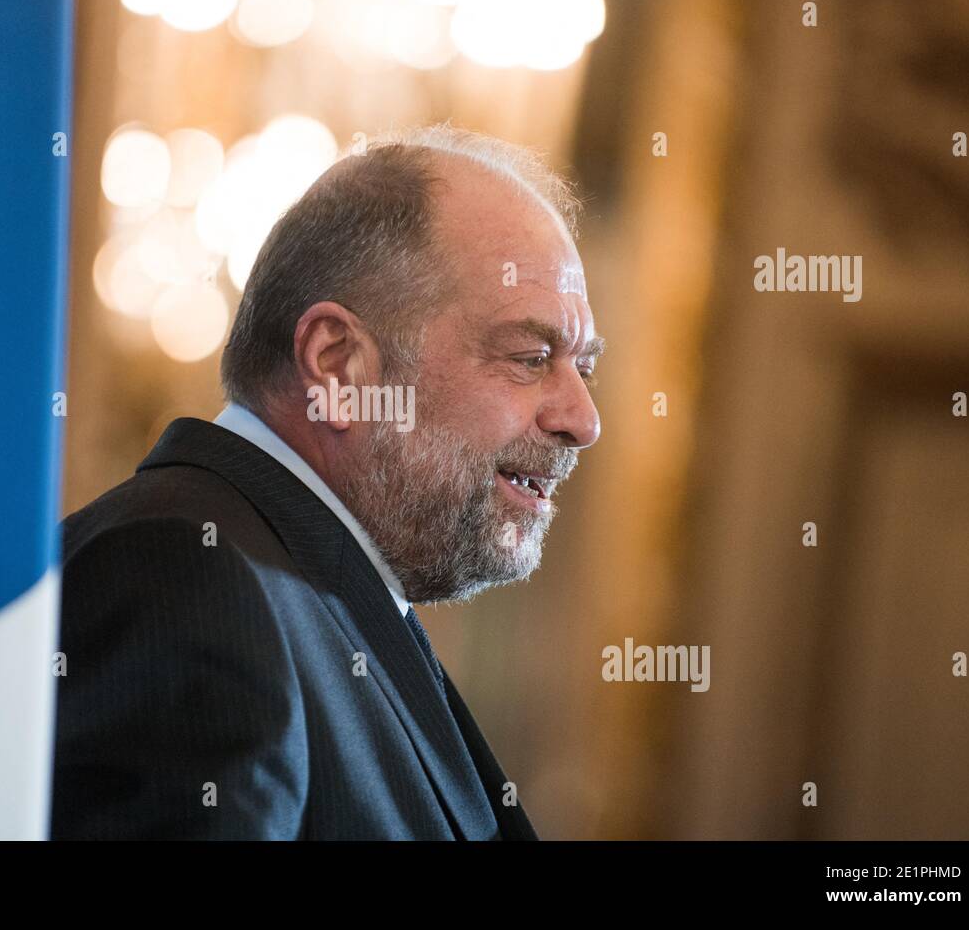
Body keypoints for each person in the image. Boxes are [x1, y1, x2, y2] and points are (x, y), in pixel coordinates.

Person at [51, 124, 603, 839]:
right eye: (531, 355)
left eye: (582, 367)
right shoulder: (187, 579)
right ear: (338, 366)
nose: (582, 419)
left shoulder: (306, 587)